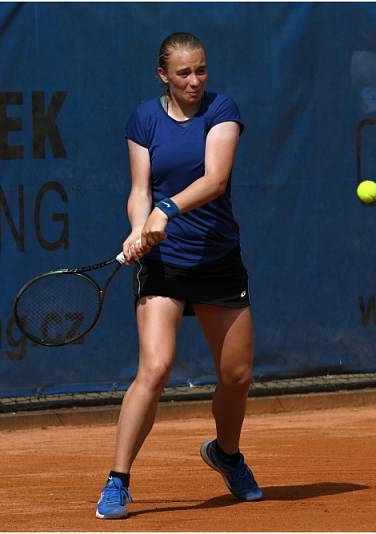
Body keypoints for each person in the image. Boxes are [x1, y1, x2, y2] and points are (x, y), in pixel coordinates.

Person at [95, 32, 261, 520]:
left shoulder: (221, 109)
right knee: (155, 368)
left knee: (236, 376)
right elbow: (139, 189)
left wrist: (166, 210)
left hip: (217, 259)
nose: (195, 81)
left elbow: (214, 180)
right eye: (184, 73)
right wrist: (137, 228)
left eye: (201, 70)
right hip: (162, 264)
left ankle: (226, 455)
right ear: (163, 75)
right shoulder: (144, 118)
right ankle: (117, 481)